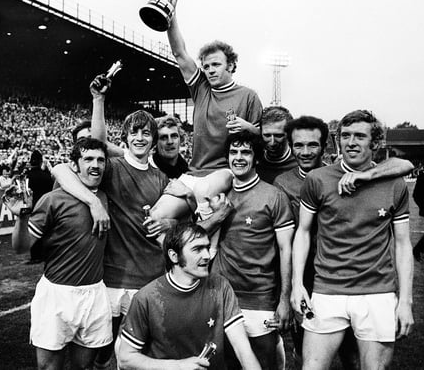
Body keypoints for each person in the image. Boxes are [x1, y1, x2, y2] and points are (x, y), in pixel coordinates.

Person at [274, 115, 414, 368]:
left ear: (376, 142)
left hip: (377, 292)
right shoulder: (318, 179)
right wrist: (297, 285)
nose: (351, 142)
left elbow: (403, 245)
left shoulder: (394, 183)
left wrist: (405, 301)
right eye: (345, 136)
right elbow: (303, 233)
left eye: (359, 136)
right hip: (327, 289)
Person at [52, 110, 170, 370]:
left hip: (147, 278)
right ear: (124, 137)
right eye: (134, 132)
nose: (140, 138)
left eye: (146, 133)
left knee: (137, 355)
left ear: (153, 140)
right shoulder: (110, 167)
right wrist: (93, 201)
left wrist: (169, 222)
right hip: (109, 279)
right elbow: (61, 169)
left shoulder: (162, 178)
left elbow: (177, 223)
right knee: (99, 355)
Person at [4, 137, 113, 370]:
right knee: (49, 368)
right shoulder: (53, 199)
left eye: (100, 160)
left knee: (83, 367)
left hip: (94, 293)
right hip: (57, 294)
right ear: (75, 166)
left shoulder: (106, 196)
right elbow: (21, 247)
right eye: (88, 159)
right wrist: (21, 217)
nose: (95, 165)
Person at [117, 222, 261, 370]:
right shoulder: (146, 298)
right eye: (197, 249)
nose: (207, 256)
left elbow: (243, 350)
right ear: (174, 256)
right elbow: (126, 359)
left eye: (207, 247)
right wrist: (178, 366)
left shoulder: (220, 286)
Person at [211, 131, 295, 369]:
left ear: (256, 158)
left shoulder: (274, 196)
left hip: (260, 300)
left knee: (263, 364)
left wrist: (284, 299)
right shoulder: (218, 195)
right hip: (222, 296)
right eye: (233, 152)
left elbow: (285, 250)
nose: (238, 158)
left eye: (246, 152)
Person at [165, 0, 263, 174]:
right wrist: (171, 13)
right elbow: (179, 53)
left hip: (228, 173)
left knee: (201, 197)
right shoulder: (201, 88)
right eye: (206, 66)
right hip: (195, 171)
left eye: (216, 65)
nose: (210, 70)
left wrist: (248, 128)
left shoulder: (249, 96)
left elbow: (264, 139)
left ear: (231, 65)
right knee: (164, 202)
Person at [257, 106, 296, 184]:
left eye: (278, 136)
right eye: (267, 135)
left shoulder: (301, 163)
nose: (272, 142)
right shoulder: (254, 163)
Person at [149, 115, 189, 179]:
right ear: (155, 141)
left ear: (180, 139)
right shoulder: (147, 172)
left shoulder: (189, 171)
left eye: (174, 136)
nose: (170, 142)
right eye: (164, 137)